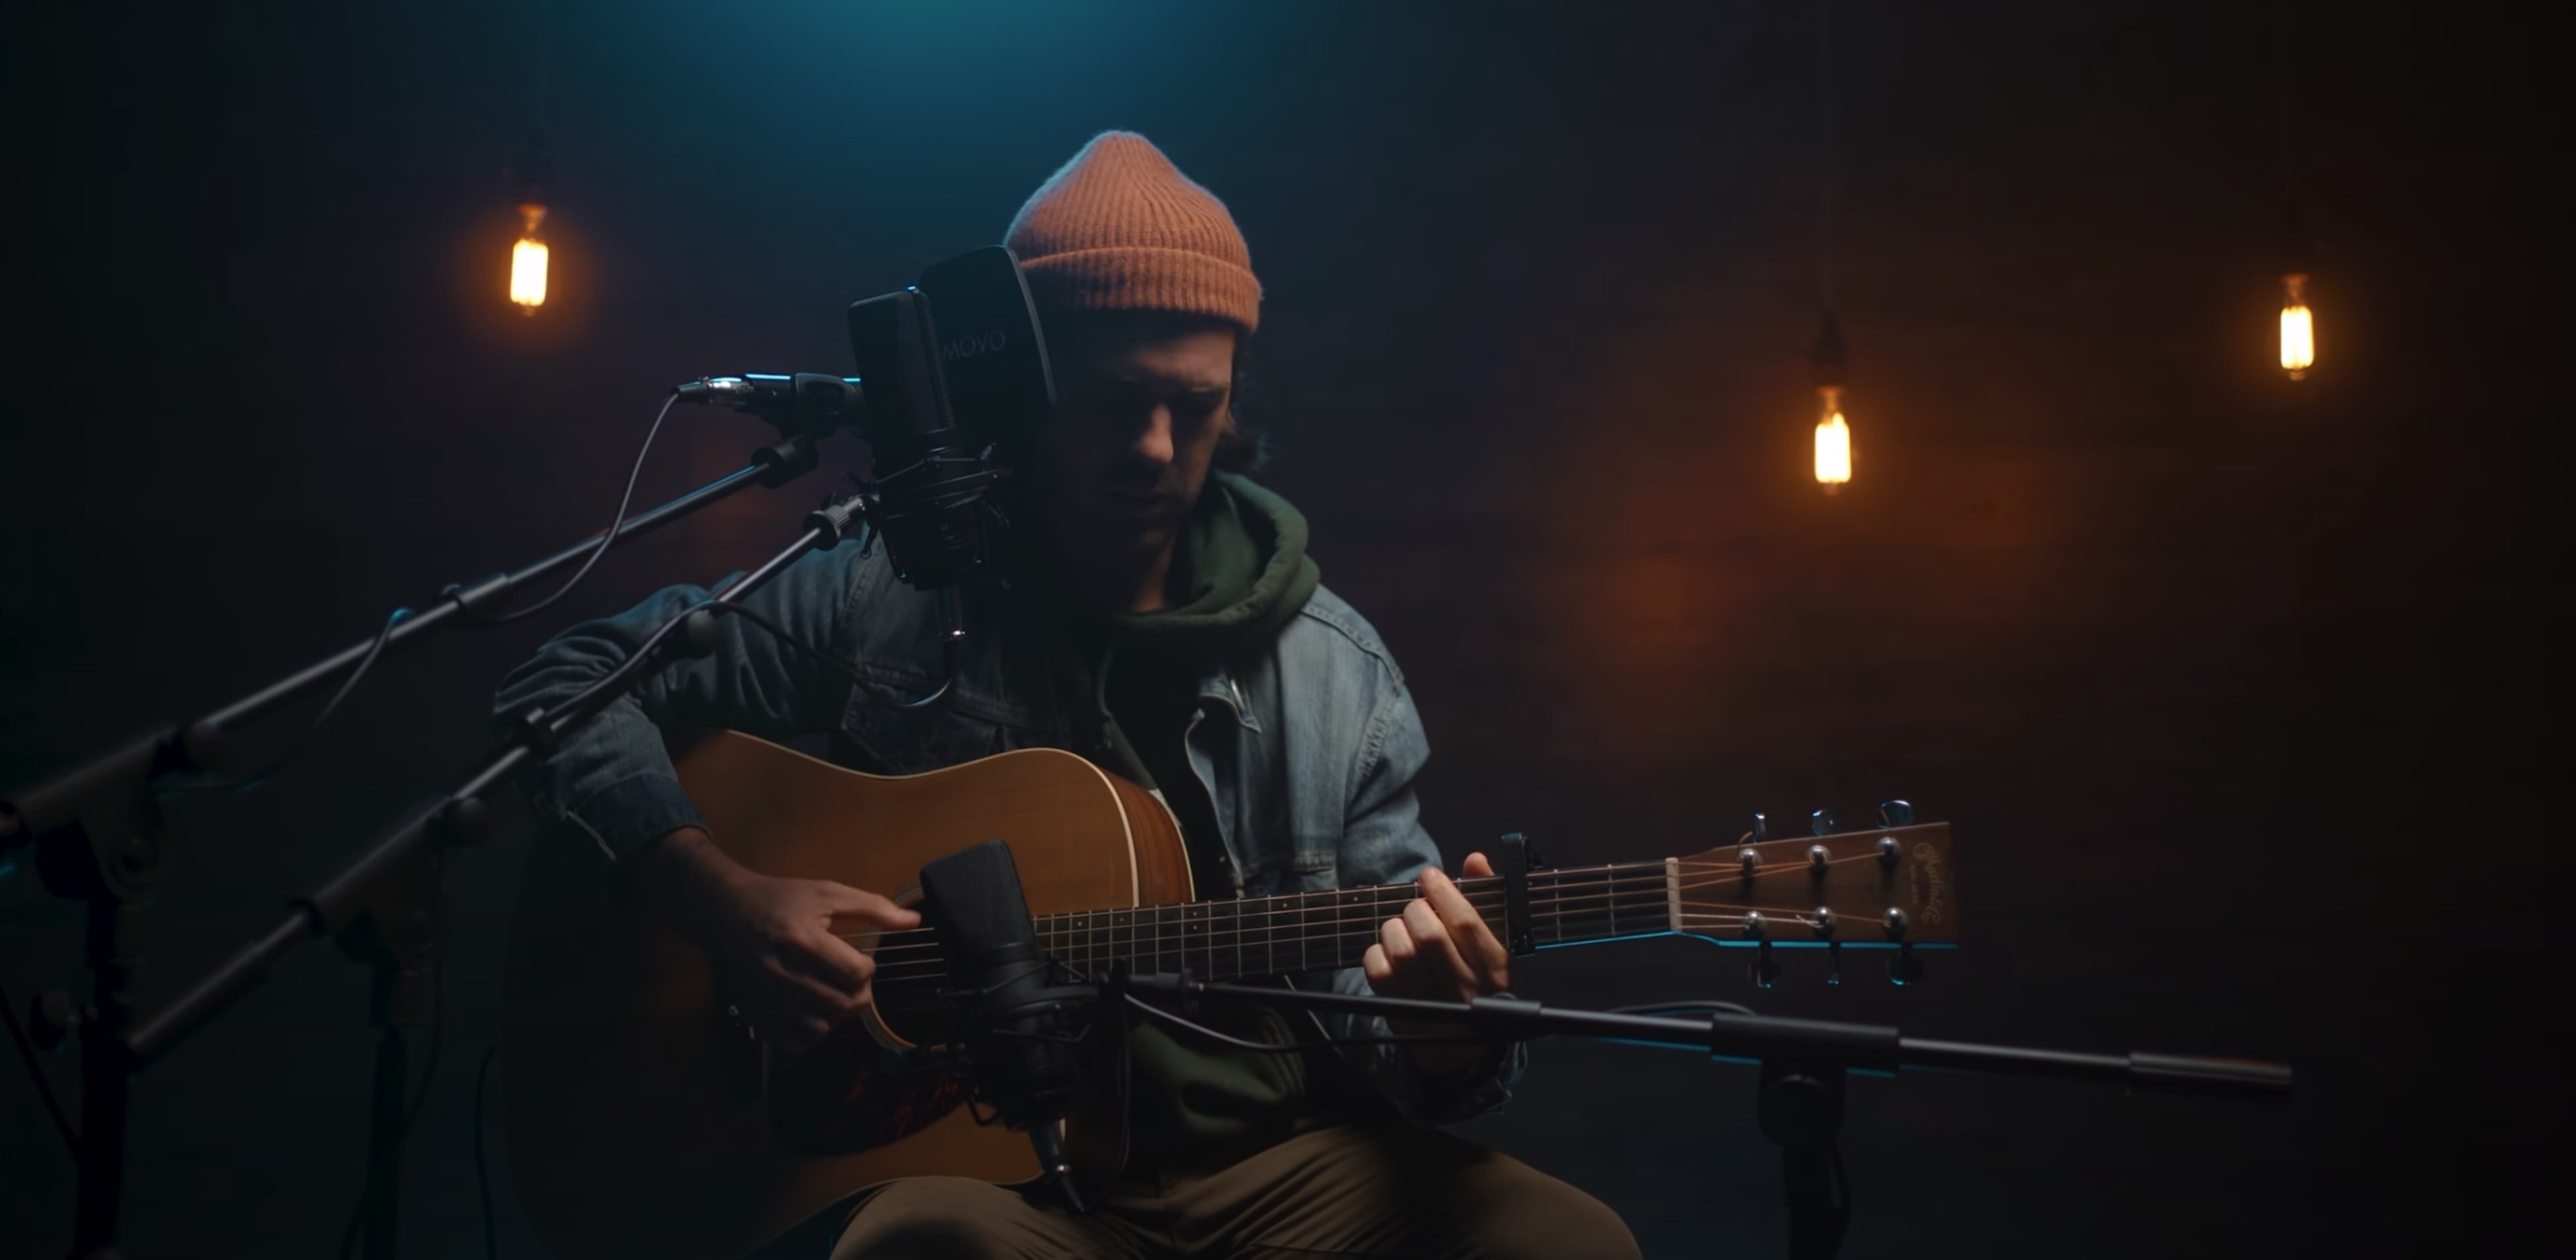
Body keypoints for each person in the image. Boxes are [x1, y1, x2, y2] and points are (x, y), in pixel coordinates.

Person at [496, 131, 1639, 1260]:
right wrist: (721, 903)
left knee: (1565, 1241)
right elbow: (564, 686)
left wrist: (1449, 1040)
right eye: (1113, 401)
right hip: (1005, 1193)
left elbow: (1393, 1027)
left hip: (1275, 1172)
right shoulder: (879, 598)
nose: (1154, 447)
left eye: (1194, 407)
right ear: (1019, 389)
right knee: (925, 1248)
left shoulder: (1340, 675)